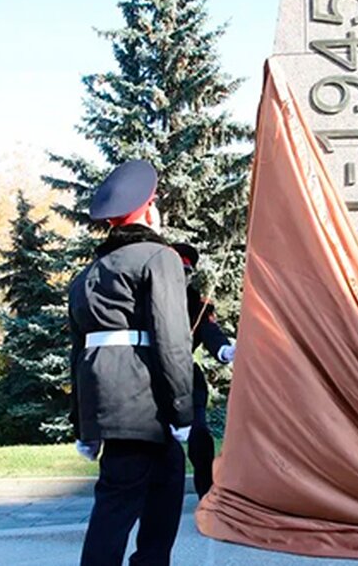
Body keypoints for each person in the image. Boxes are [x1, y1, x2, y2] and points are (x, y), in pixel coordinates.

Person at [68, 160, 195, 566]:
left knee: (118, 506)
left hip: (109, 411)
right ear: (150, 208)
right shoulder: (159, 258)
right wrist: (183, 411)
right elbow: (173, 338)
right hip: (149, 407)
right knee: (154, 511)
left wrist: (83, 426)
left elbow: (79, 354)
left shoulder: (86, 276)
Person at [169, 242, 235, 497]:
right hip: (150, 380)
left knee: (199, 438)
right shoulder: (143, 297)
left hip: (186, 380)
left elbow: (209, 331)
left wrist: (224, 350)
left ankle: (207, 494)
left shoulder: (197, 305)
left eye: (185, 273)